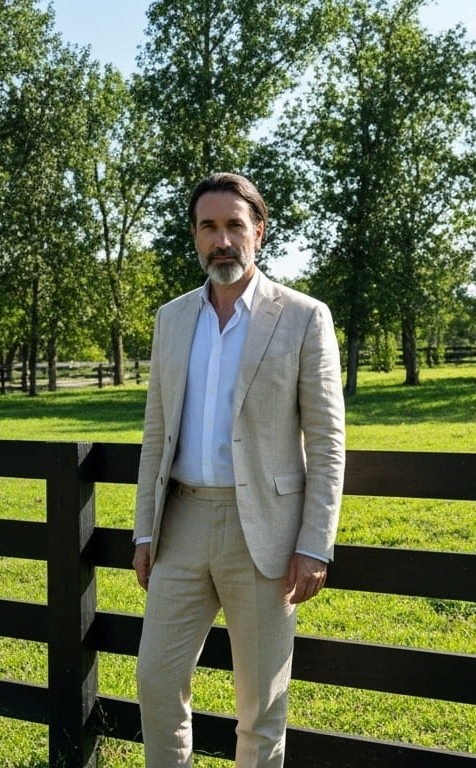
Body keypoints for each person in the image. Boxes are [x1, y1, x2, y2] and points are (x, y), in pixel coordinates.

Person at [132, 172, 346, 767]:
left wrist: (315, 544)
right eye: (209, 227)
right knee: (155, 679)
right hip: (180, 526)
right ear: (195, 236)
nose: (221, 240)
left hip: (266, 535)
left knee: (260, 706)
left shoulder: (303, 317)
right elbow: (156, 434)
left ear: (259, 231)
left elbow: (327, 440)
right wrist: (145, 531)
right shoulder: (172, 318)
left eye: (233, 225)